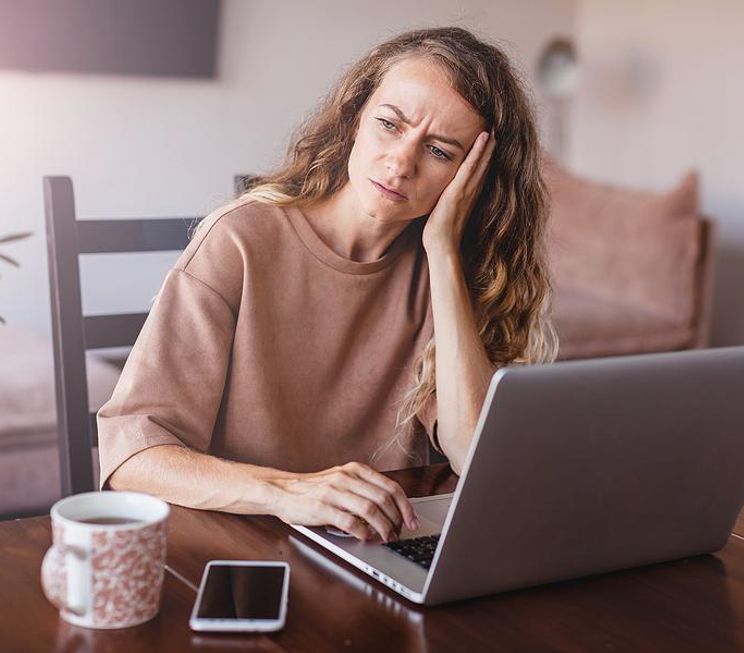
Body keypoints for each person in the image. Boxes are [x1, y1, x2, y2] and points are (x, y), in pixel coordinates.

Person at [98, 27, 558, 544]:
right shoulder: (239, 241)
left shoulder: (450, 271)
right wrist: (291, 492)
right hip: (244, 548)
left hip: (381, 548)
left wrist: (445, 253)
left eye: (439, 151)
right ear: (355, 118)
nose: (400, 163)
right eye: (389, 124)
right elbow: (133, 456)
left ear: (472, 180)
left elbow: (475, 455)